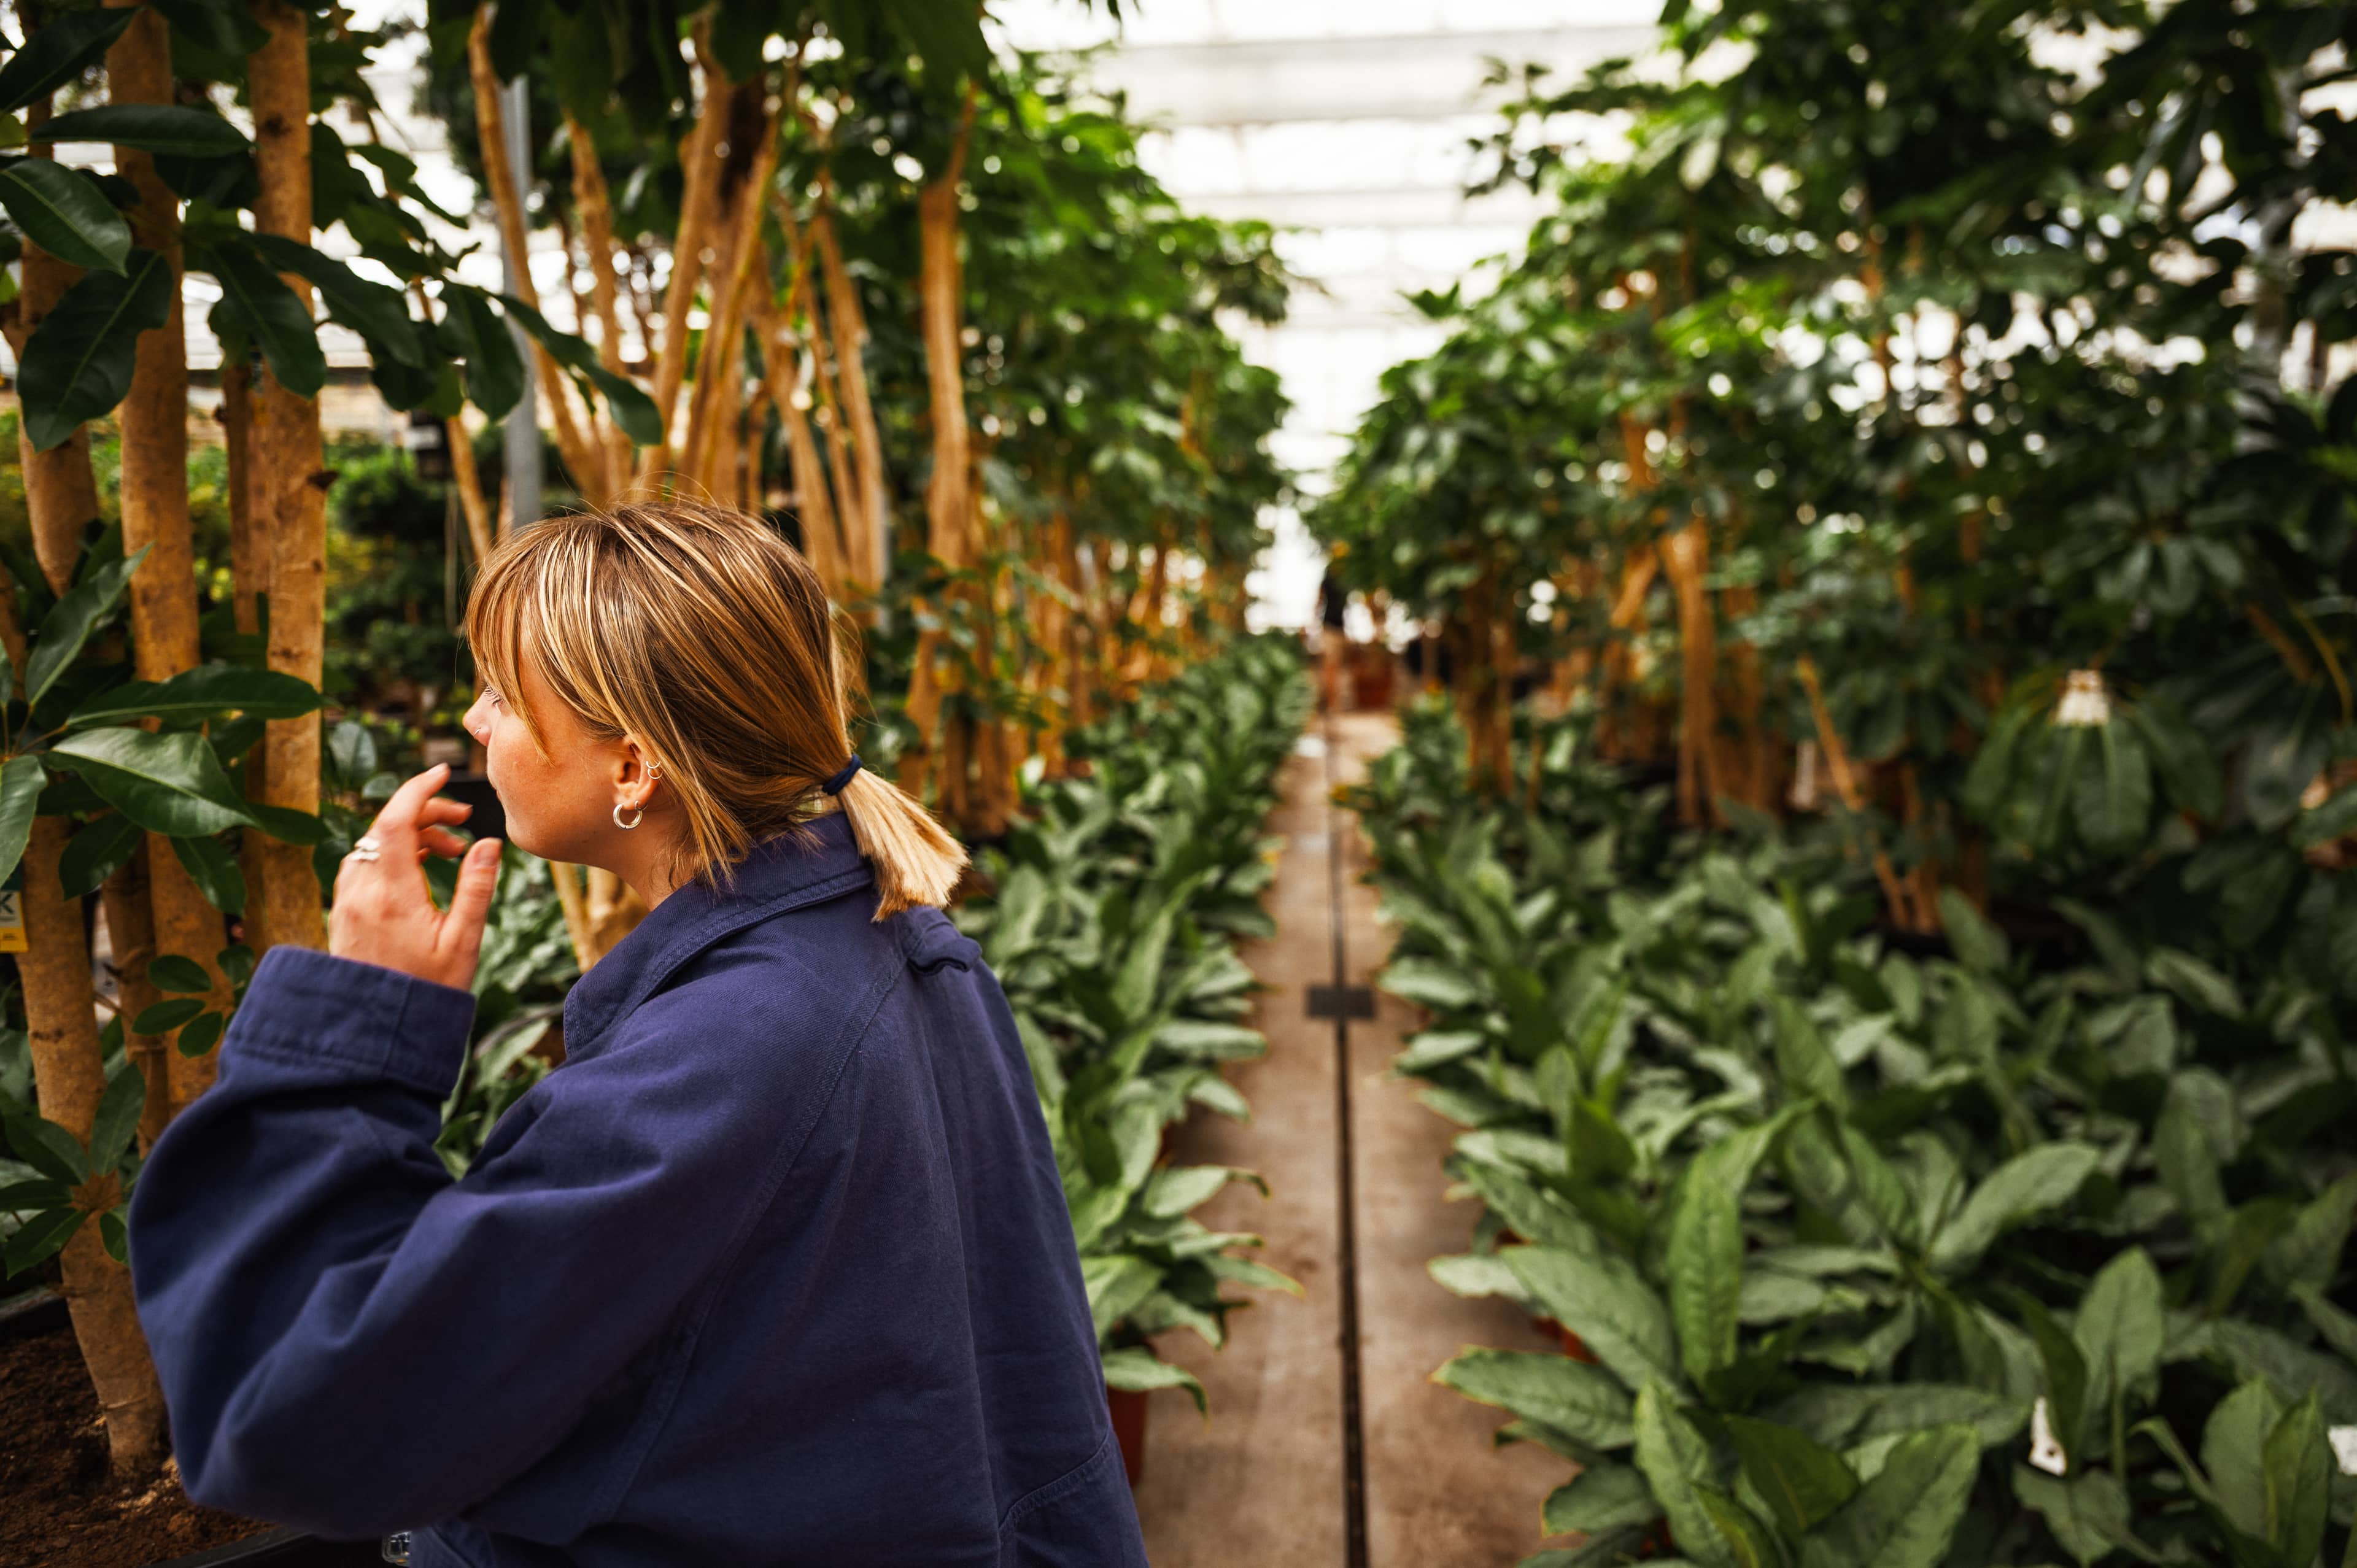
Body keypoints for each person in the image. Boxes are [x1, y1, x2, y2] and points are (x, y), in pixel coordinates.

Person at [125, 503, 1148, 1567]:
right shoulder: (901, 941)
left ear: (632, 769)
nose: (474, 723)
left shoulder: (721, 1059)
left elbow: (295, 1418)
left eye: (502, 697)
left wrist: (352, 1026)